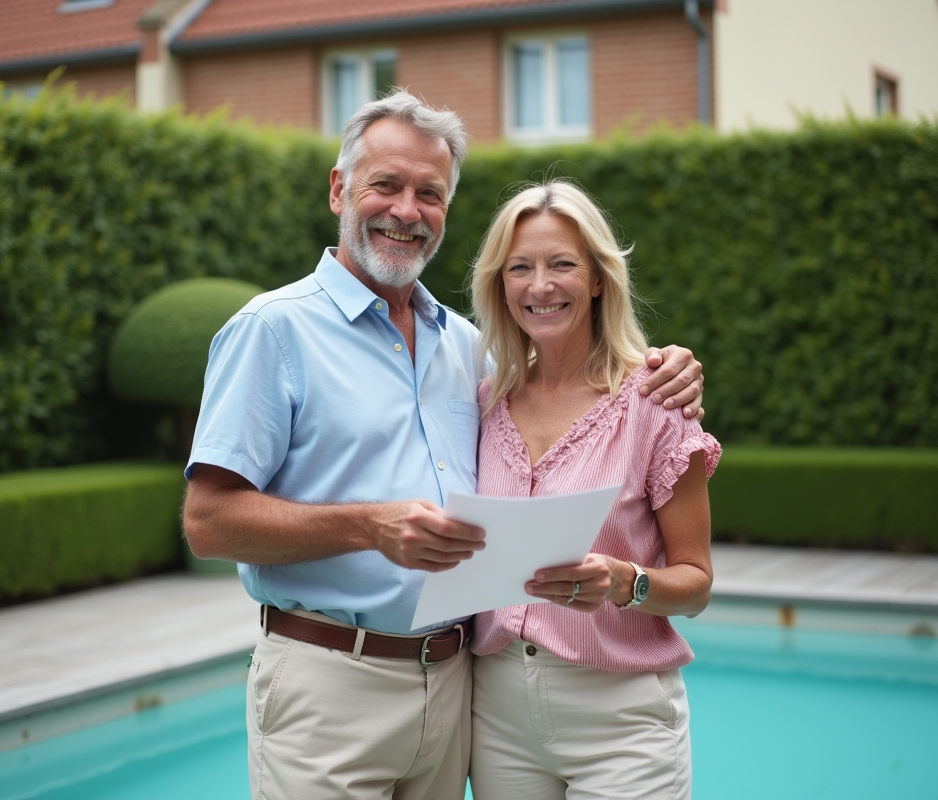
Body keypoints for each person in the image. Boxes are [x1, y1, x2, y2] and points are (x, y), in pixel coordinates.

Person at [182, 92, 705, 800]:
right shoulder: (272, 330)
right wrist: (370, 525)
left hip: (459, 687)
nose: (407, 210)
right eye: (386, 185)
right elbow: (207, 522)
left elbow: (579, 381)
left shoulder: (469, 353)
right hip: (330, 682)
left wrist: (669, 366)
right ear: (339, 189)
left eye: (429, 193)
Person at [467, 180, 721, 800]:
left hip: (621, 723)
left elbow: (696, 585)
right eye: (519, 268)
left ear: (600, 278)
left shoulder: (655, 402)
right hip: (497, 718)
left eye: (562, 265)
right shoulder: (483, 403)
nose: (540, 286)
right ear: (500, 284)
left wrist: (624, 581)